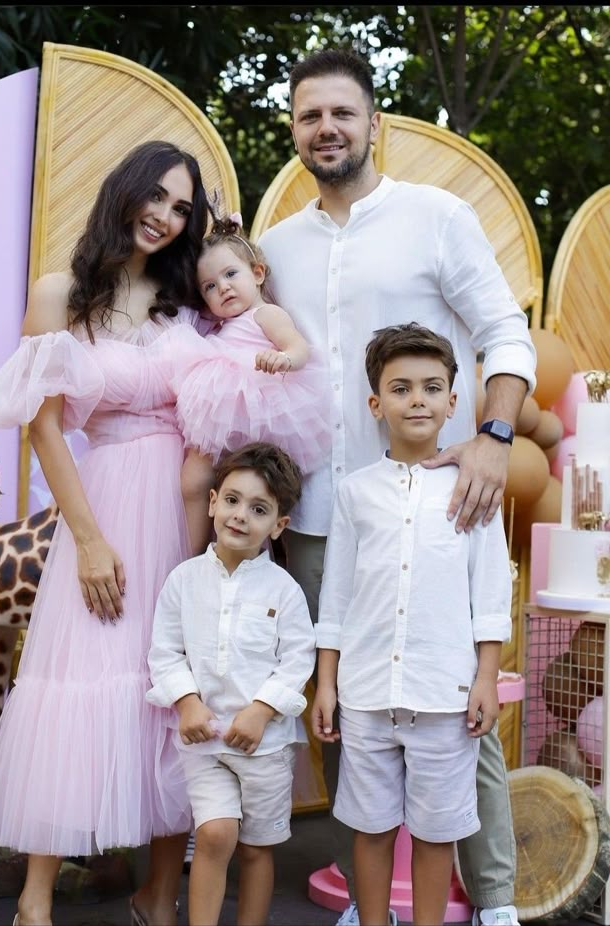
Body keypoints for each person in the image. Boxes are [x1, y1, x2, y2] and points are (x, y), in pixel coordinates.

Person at [257, 48, 537, 926]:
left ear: (375, 123)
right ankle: (367, 900)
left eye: (343, 112)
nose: (327, 128)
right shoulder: (273, 251)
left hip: (441, 503)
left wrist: (492, 437)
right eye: (310, 115)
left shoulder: (437, 218)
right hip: (315, 511)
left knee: (459, 713)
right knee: (343, 711)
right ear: (294, 130)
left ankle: (491, 899)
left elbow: (505, 332)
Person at [0, 140, 212, 926]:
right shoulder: (59, 295)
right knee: (78, 684)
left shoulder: (192, 302)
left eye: (183, 208)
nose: (166, 216)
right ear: (125, 187)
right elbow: (43, 432)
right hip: (102, 503)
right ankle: (35, 902)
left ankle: (159, 895)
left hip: (183, 510)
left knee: (172, 690)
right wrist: (89, 540)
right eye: (158, 197)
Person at [313, 323, 513, 926]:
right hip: (368, 695)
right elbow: (337, 596)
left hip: (444, 696)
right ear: (377, 404)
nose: (418, 399)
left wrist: (485, 678)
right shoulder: (355, 494)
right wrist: (327, 684)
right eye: (401, 388)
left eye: (432, 387)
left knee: (435, 834)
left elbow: (491, 594)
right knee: (370, 830)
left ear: (454, 402)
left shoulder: (472, 490)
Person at [147, 442, 316, 926]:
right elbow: (165, 650)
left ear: (278, 525)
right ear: (214, 501)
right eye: (234, 501)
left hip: (264, 746)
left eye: (259, 509)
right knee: (216, 833)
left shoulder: (284, 591)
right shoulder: (182, 580)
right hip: (203, 739)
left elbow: (296, 659)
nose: (242, 516)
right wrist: (187, 703)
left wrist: (261, 710)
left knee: (257, 848)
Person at [176, 213, 331, 555]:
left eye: (231, 274)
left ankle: (203, 554)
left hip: (256, 409)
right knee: (198, 481)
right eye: (210, 287)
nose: (223, 288)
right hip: (221, 414)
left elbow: (299, 347)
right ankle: (194, 553)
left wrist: (284, 359)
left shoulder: (266, 315)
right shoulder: (219, 326)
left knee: (243, 486)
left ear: (257, 273)